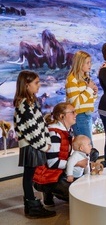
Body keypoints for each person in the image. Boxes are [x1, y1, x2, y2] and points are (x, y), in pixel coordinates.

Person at [13, 70, 55, 218]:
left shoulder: (30, 102)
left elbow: (40, 124)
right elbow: (31, 130)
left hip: (35, 145)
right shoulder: (24, 104)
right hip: (31, 146)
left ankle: (32, 205)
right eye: (36, 83)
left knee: (29, 175)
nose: (39, 85)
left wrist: (45, 141)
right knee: (29, 176)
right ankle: (32, 206)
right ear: (26, 84)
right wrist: (44, 145)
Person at [33, 102, 88, 206]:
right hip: (46, 175)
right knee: (78, 194)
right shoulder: (54, 133)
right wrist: (77, 163)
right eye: (72, 112)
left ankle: (50, 192)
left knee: (91, 152)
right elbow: (52, 163)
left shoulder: (65, 131)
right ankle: (49, 190)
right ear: (62, 116)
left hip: (58, 171)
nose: (76, 114)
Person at [66, 50, 98, 144]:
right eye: (87, 63)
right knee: (86, 147)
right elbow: (76, 104)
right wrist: (89, 90)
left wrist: (94, 93)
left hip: (87, 115)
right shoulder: (72, 80)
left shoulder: (85, 78)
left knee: (88, 147)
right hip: (79, 116)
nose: (90, 65)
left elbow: (89, 100)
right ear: (80, 63)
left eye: (90, 62)